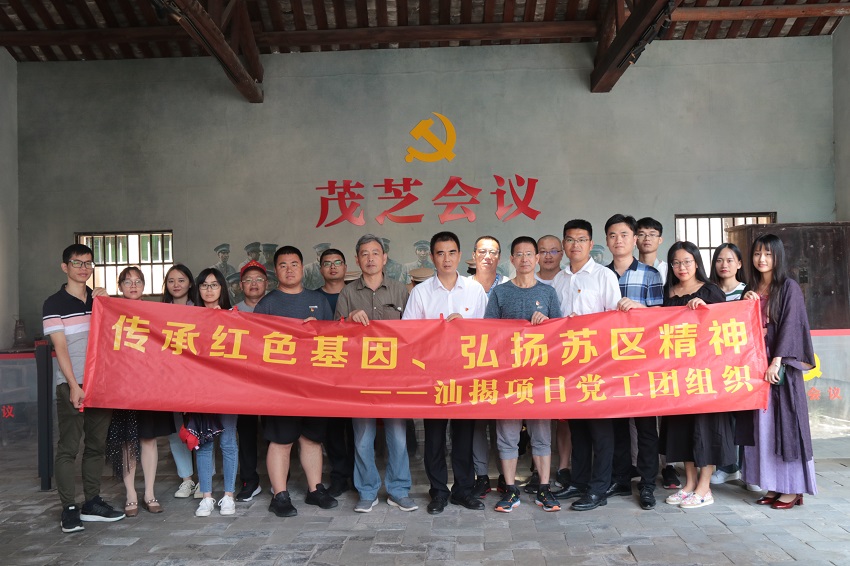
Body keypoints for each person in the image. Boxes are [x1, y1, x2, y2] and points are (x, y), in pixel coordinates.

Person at [403, 232, 487, 515]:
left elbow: (488, 333)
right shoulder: (421, 292)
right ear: (432, 257)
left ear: (460, 256)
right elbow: (409, 335)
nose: (446, 259)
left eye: (451, 253)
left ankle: (463, 490)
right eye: (440, 253)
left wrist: (466, 326)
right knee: (435, 439)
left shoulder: (474, 290)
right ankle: (438, 492)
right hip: (433, 377)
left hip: (466, 377)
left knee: (464, 438)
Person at [43, 243, 125, 533]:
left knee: (96, 446)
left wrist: (109, 303)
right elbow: (60, 347)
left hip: (101, 383)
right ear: (65, 267)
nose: (83, 268)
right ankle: (68, 508)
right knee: (68, 447)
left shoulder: (99, 300)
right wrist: (72, 385)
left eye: (88, 263)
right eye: (77, 263)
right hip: (72, 384)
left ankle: (92, 502)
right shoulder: (54, 303)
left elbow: (116, 336)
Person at [254, 246, 337, 517]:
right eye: (283, 265)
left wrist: (319, 329)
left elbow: (335, 340)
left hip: (313, 383)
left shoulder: (318, 300)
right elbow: (254, 344)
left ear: (302, 268)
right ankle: (279, 495)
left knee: (312, 439)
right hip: (280, 385)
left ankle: (315, 490)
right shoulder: (267, 304)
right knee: (281, 441)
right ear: (275, 271)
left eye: (294, 264)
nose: (289, 270)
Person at [335, 235, 415, 513]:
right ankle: (367, 491)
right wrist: (348, 320)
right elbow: (333, 336)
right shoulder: (347, 294)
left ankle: (398, 490)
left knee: (398, 437)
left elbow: (413, 333)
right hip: (360, 379)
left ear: (385, 258)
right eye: (364, 254)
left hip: (395, 378)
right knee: (362, 438)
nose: (370, 258)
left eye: (375, 253)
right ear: (357, 260)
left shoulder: (400, 291)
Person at [740, 234, 816, 509]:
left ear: (778, 257)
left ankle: (793, 488)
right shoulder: (751, 287)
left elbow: (791, 326)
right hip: (755, 366)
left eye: (768, 254)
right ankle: (773, 484)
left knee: (787, 425)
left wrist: (777, 361)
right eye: (757, 253)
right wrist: (745, 303)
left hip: (780, 368)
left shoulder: (788, 287)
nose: (762, 259)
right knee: (764, 428)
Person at [487, 237, 562, 513]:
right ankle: (510, 489)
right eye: (519, 254)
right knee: (507, 436)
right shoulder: (500, 293)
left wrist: (548, 323)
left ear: (537, 258)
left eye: (530, 254)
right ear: (512, 260)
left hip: (540, 379)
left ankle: (544, 488)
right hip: (507, 377)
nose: (525, 259)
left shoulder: (549, 293)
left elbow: (560, 334)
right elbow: (487, 333)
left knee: (541, 435)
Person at [551, 220, 621, 512]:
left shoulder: (604, 276)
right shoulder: (558, 279)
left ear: (591, 244)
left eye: (581, 239)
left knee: (600, 430)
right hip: (568, 365)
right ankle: (578, 482)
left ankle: (599, 488)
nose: (575, 245)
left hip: (597, 364)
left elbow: (615, 321)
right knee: (577, 427)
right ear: (564, 245)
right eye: (570, 239)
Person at [659, 241, 733, 510]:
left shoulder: (710, 291)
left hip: (706, 375)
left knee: (706, 429)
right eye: (676, 263)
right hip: (678, 374)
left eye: (687, 262)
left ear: (697, 263)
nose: (682, 267)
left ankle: (705, 487)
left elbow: (725, 327)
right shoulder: (669, 291)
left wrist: (706, 309)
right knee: (682, 430)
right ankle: (689, 484)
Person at [604, 214, 663, 510]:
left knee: (646, 426)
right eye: (613, 235)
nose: (619, 240)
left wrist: (639, 308)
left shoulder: (650, 274)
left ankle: (648, 483)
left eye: (624, 235)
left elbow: (662, 318)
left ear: (634, 239)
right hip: (608, 362)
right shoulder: (600, 275)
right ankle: (621, 478)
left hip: (642, 361)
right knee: (616, 425)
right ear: (606, 241)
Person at [105, 267, 175, 518]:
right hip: (123, 387)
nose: (133, 286)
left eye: (137, 281)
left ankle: (149, 493)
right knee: (126, 441)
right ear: (120, 286)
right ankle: (131, 495)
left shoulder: (155, 312)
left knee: (148, 439)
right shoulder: (111, 311)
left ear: (144, 286)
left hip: (149, 386)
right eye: (127, 282)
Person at [193, 268, 239, 517]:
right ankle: (207, 497)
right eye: (204, 285)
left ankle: (229, 495)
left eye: (214, 285)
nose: (209, 290)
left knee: (229, 441)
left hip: (227, 388)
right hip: (200, 388)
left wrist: (224, 320)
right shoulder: (189, 318)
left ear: (222, 289)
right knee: (204, 442)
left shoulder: (234, 317)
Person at [467, 236, 508, 499]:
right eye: (482, 251)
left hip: (504, 367)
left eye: (493, 252)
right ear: (473, 255)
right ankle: (481, 476)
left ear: (500, 257)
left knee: (503, 424)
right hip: (472, 368)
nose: (487, 257)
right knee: (477, 425)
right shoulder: (463, 286)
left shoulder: (509, 285)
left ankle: (505, 475)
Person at [708, 243, 749, 486]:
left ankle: (748, 469)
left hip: (742, 363)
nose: (724, 265)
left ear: (739, 264)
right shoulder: (708, 292)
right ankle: (727, 466)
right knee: (721, 418)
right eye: (719, 260)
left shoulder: (747, 292)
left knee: (743, 417)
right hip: (716, 365)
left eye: (730, 260)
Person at [317, 248, 356, 497]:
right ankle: (339, 477)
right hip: (327, 372)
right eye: (327, 263)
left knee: (357, 428)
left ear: (345, 267)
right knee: (332, 429)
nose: (333, 267)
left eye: (337, 262)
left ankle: (358, 476)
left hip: (355, 372)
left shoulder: (355, 294)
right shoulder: (314, 298)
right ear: (320, 269)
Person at [161, 264, 202, 499]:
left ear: (190, 283)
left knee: (202, 429)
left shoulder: (200, 310)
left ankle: (204, 480)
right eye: (171, 281)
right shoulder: (157, 312)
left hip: (196, 379)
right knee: (177, 431)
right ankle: (186, 479)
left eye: (181, 280)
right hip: (170, 381)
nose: (176, 285)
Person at [233, 261, 269, 502]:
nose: (253, 284)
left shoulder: (276, 308)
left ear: (267, 283)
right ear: (241, 285)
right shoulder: (232, 312)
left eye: (258, 279)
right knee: (245, 431)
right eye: (248, 280)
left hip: (273, 381)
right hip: (243, 381)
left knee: (276, 431)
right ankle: (249, 480)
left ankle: (280, 479)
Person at [636, 217, 667, 283]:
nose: (647, 238)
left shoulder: (667, 270)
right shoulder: (629, 269)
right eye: (641, 234)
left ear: (660, 240)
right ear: (635, 239)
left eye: (652, 234)